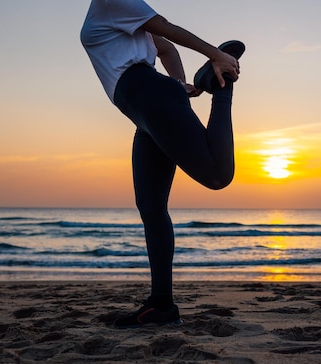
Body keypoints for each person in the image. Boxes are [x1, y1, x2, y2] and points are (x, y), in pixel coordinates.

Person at [80, 0, 244, 328]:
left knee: (217, 175)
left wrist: (215, 56)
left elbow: (165, 29)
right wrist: (180, 87)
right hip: (146, 112)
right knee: (151, 208)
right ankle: (162, 305)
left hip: (150, 97)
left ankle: (222, 85)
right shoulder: (111, 11)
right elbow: (165, 49)